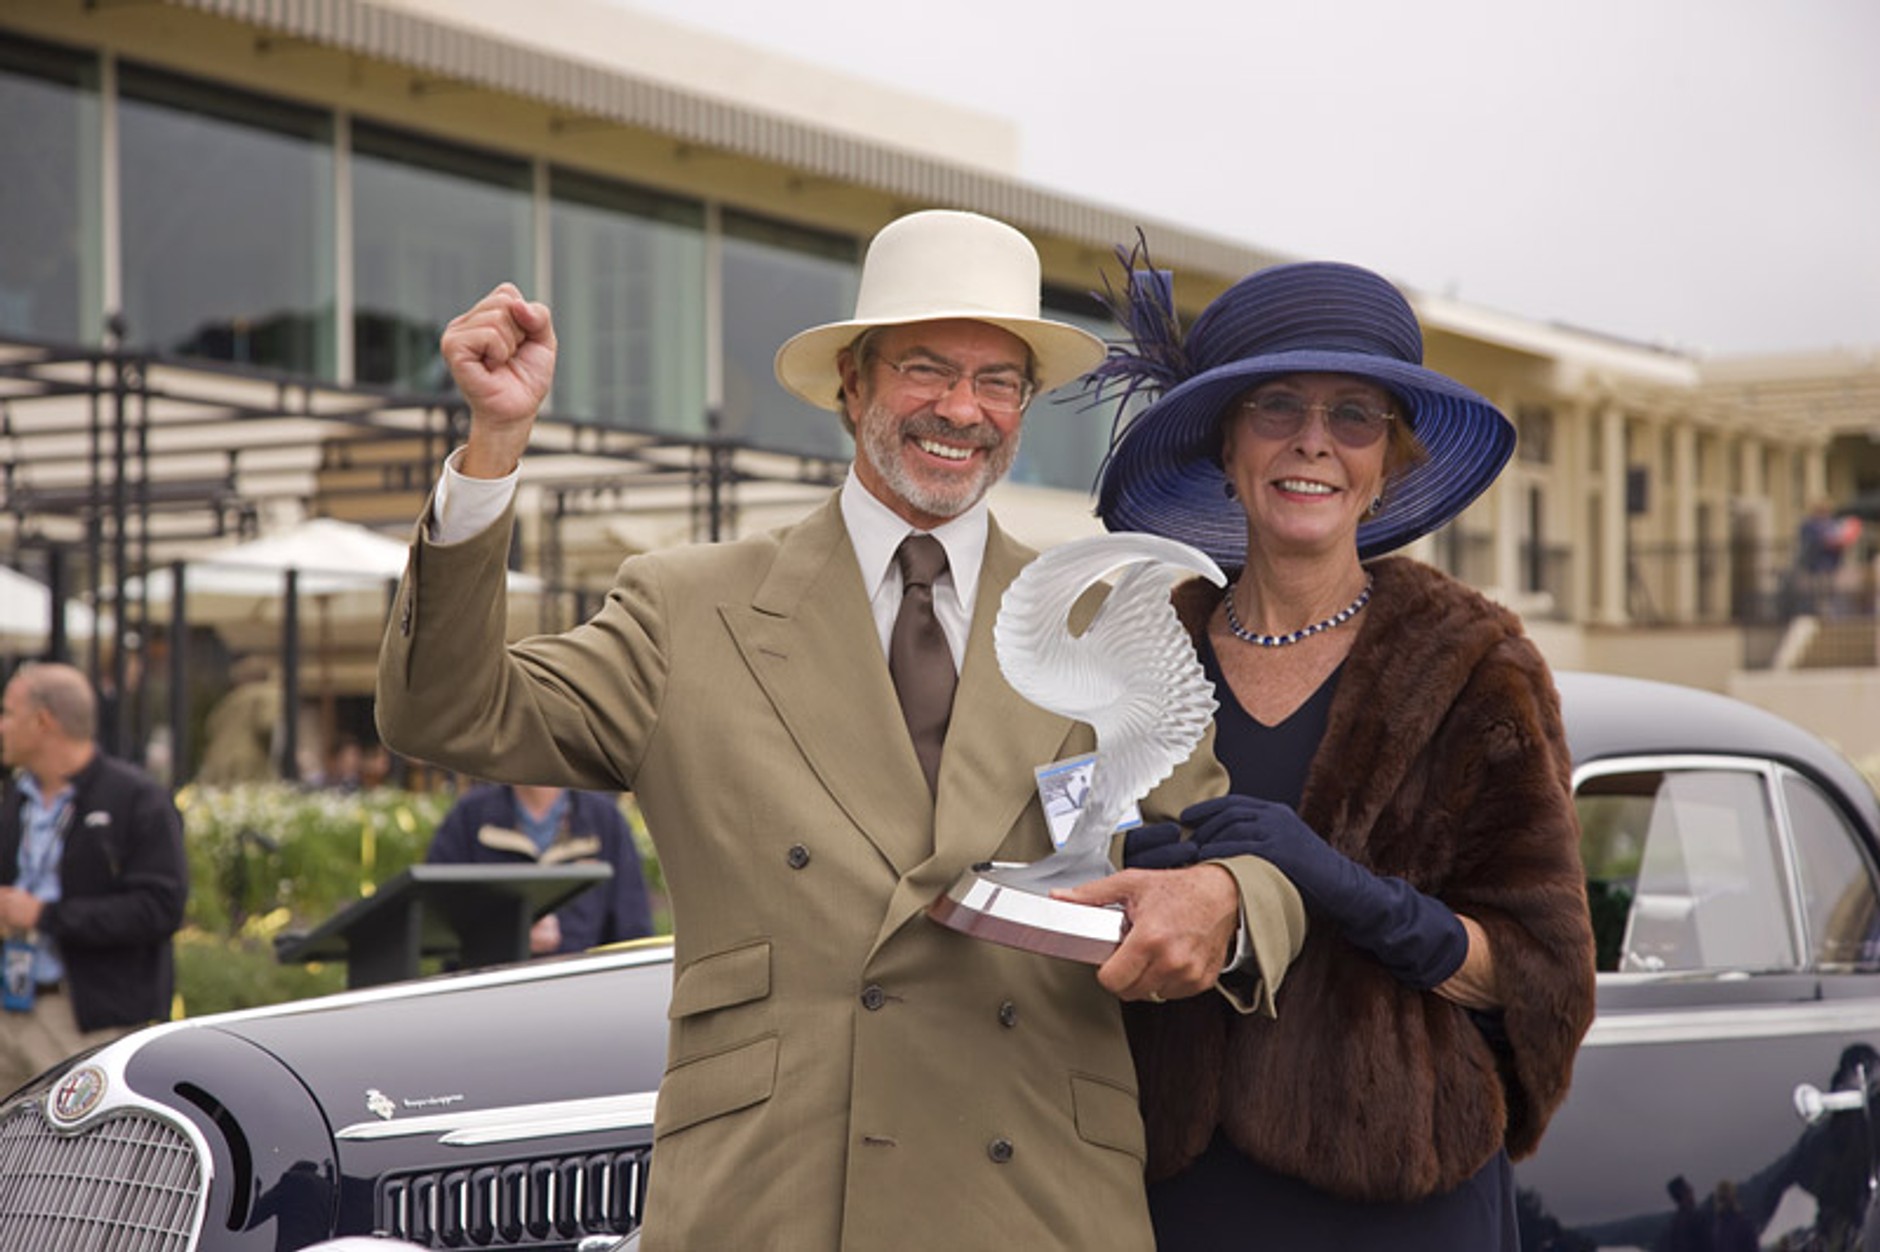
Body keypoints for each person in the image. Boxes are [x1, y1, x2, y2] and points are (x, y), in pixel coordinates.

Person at [374, 209, 1305, 1250]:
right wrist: (492, 448)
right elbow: (445, 710)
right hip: (774, 1199)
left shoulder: (1096, 620)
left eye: (998, 381)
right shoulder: (688, 608)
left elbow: (1236, 856)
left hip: (1035, 1200)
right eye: (924, 369)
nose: (962, 408)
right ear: (851, 385)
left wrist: (1222, 898)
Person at [1089, 250, 1598, 1249]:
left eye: (1352, 416)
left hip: (1399, 1201)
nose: (1312, 442)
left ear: (1386, 461)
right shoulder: (1133, 651)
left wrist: (1343, 889)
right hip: (1171, 1197)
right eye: (1275, 406)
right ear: (1228, 446)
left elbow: (1541, 977)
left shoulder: (1473, 665)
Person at [0, 662, 188, 1093]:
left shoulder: (137, 799)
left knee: (66, 1158)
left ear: (43, 722)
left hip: (83, 1021)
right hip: (11, 1004)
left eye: (9, 713)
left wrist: (45, 916)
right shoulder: (17, 799)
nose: (2, 726)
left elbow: (160, 908)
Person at [425, 783, 656, 956]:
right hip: (491, 998)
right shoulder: (468, 818)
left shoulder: (606, 821)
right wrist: (505, 937)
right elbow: (433, 924)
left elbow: (633, 934)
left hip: (583, 1001)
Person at [196, 654, 281, 785]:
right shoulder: (267, 693)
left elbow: (210, 727)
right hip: (249, 764)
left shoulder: (229, 700)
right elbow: (268, 725)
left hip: (216, 763)